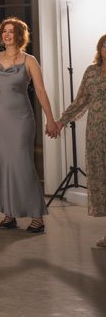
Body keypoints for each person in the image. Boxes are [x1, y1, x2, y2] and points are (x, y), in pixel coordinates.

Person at [0, 17, 57, 233]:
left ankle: (37, 217)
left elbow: (41, 91)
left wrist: (50, 119)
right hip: (0, 118)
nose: (6, 34)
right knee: (6, 165)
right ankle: (9, 213)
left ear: (19, 35)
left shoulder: (29, 60)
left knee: (23, 164)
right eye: (4, 31)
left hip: (22, 119)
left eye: (11, 31)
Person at [55, 32, 106, 248]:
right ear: (99, 49)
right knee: (101, 178)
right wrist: (61, 121)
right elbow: (80, 101)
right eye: (105, 45)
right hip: (96, 134)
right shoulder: (91, 72)